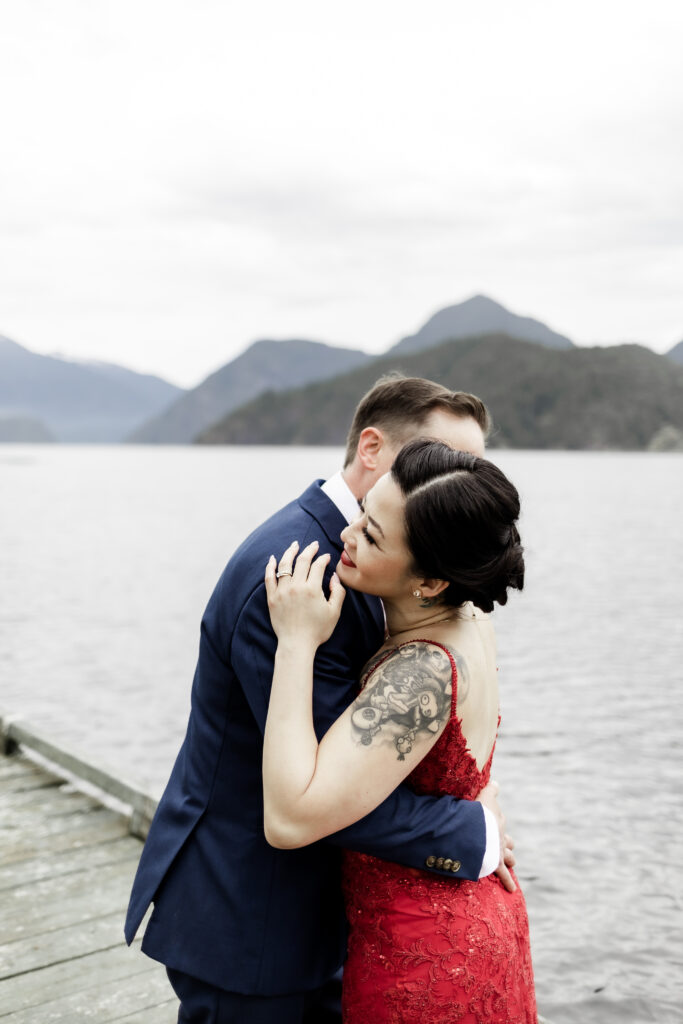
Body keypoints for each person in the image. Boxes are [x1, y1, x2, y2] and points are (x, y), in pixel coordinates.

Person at [124, 374, 515, 1024]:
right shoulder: (292, 571)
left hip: (333, 920)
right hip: (253, 923)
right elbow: (319, 792)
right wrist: (468, 828)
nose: (454, 481)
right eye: (441, 459)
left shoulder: (400, 578)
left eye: (470, 468)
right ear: (373, 450)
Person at [263, 438, 536, 1023]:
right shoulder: (473, 617)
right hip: (482, 917)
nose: (346, 535)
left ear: (431, 582)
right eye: (364, 513)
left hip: (422, 953)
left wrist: (295, 641)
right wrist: (481, 818)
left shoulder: (422, 671)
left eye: (373, 536)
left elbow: (288, 820)